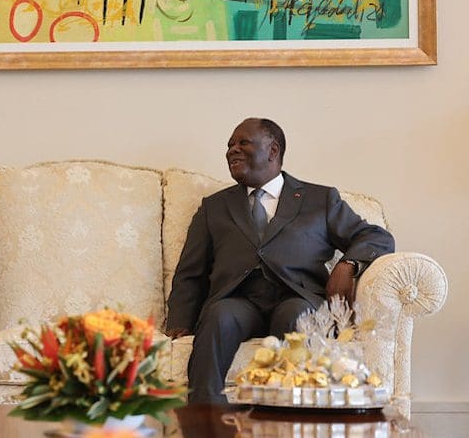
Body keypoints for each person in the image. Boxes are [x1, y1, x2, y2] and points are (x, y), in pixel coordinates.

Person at [166, 117, 394, 404]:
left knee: (298, 318)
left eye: (242, 143)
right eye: (229, 145)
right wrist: (179, 320)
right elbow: (191, 271)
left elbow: (376, 237)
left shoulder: (319, 199)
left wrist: (348, 265)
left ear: (273, 150)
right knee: (217, 318)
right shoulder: (215, 207)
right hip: (238, 301)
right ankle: (205, 423)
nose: (232, 150)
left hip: (296, 296)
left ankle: (291, 422)